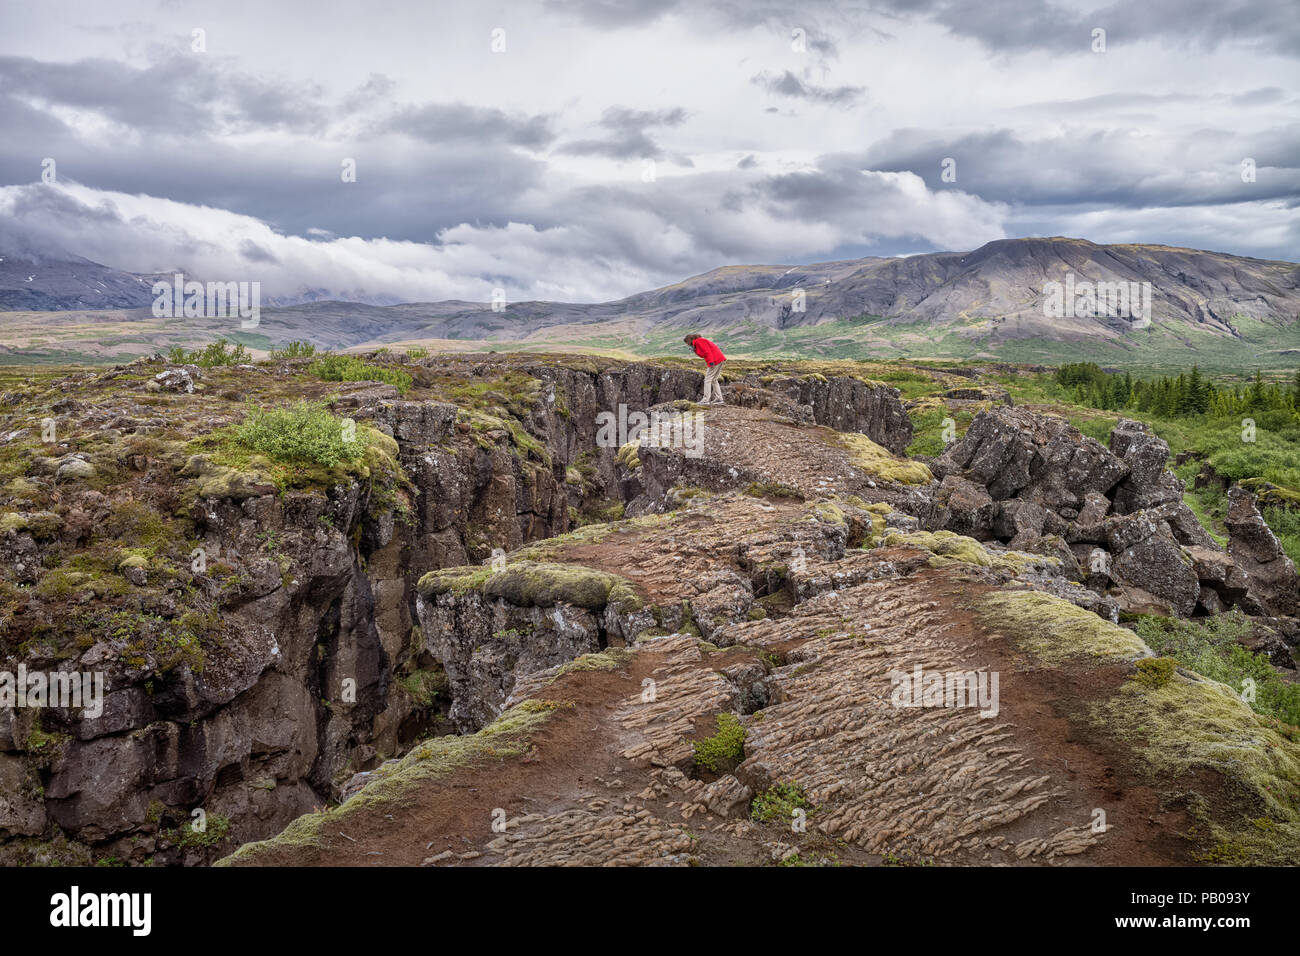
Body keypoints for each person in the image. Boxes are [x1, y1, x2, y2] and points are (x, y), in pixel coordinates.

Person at [684, 333, 726, 405]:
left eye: (687, 342)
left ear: (689, 340)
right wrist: (694, 350)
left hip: (715, 360)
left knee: (707, 380)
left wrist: (711, 362)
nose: (687, 344)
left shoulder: (698, 341)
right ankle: (719, 398)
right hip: (719, 359)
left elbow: (707, 352)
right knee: (714, 380)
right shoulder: (698, 342)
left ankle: (706, 399)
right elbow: (702, 355)